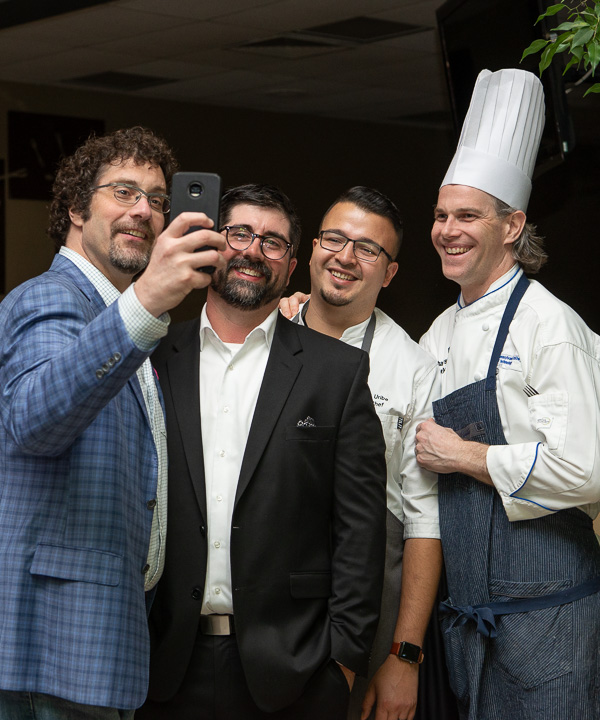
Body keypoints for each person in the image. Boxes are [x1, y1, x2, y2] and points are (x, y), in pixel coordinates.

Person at [0, 126, 226, 719]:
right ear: (76, 206)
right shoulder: (48, 299)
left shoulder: (129, 327)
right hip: (48, 649)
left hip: (104, 650)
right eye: (123, 192)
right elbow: (34, 420)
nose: (144, 211)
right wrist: (147, 299)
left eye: (157, 199)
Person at [138, 183, 387, 720]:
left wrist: (342, 660)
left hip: (295, 672)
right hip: (163, 663)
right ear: (212, 244)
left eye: (272, 242)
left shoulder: (336, 374)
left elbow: (360, 530)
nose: (252, 250)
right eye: (239, 234)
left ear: (293, 265)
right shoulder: (155, 356)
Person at [415, 68, 600, 720]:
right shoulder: (435, 334)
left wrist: (465, 456)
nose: (448, 229)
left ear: (512, 224)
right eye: (441, 215)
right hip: (468, 625)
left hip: (551, 619)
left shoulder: (552, 328)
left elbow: (584, 470)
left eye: (467, 215)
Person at [280, 186, 442, 720]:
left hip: (370, 594)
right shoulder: (262, 335)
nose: (345, 257)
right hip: (268, 581)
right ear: (312, 248)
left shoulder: (411, 366)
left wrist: (404, 656)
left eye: (367, 249)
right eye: (335, 238)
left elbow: (423, 520)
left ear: (389, 273)